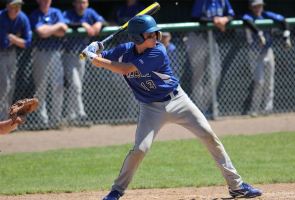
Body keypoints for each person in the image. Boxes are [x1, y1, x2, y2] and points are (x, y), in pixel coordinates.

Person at [82, 15, 262, 200]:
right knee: (140, 149)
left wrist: (94, 58)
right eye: (150, 35)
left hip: (178, 101)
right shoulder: (125, 50)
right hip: (150, 108)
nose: (156, 37)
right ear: (137, 38)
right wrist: (95, 49)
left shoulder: (158, 51)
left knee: (209, 136)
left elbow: (125, 69)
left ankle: (237, 186)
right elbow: (103, 58)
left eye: (155, 33)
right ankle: (116, 191)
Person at [184, 0, 235, 119]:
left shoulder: (222, 1)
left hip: (212, 39)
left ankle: (204, 107)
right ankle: (199, 110)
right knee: (198, 76)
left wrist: (225, 19)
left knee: (216, 73)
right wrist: (215, 20)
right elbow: (196, 18)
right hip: (197, 38)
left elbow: (231, 15)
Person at [242, 0, 292, 116]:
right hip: (254, 52)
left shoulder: (266, 15)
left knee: (269, 81)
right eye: (255, 6)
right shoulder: (248, 16)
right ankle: (255, 109)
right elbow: (246, 21)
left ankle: (268, 109)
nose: (258, 8)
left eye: (259, 6)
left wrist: (286, 35)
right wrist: (259, 33)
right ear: (251, 7)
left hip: (267, 51)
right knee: (259, 81)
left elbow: (283, 20)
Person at [62, 0, 105, 126]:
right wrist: (82, 24)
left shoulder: (90, 12)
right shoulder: (68, 13)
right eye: (79, 2)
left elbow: (103, 21)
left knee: (76, 86)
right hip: (68, 54)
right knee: (75, 85)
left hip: (82, 55)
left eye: (84, 2)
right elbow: (65, 23)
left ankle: (71, 116)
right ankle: (81, 114)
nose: (81, 5)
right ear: (74, 3)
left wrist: (98, 24)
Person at [30, 0, 68, 129]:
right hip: (40, 53)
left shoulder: (56, 12)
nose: (46, 2)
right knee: (41, 88)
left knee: (58, 86)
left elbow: (64, 30)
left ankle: (55, 120)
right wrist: (56, 27)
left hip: (56, 53)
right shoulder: (35, 14)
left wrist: (49, 29)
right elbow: (41, 32)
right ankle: (42, 120)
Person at [0, 0, 32, 121]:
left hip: (12, 53)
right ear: (7, 6)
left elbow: (28, 42)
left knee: (11, 86)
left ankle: (7, 117)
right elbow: (3, 42)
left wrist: (12, 37)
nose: (16, 8)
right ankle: (2, 118)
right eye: (14, 5)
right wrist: (17, 38)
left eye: (18, 6)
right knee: (4, 85)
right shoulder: (1, 17)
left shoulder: (22, 18)